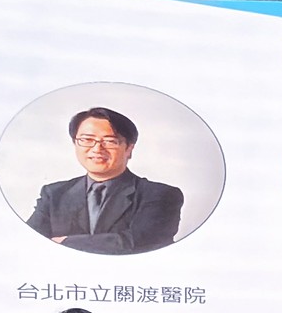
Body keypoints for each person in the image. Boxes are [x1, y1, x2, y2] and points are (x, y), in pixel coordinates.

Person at [25, 107, 185, 254]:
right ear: (75, 144)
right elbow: (29, 240)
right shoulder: (54, 194)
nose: (97, 149)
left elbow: (140, 242)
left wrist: (65, 242)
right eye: (87, 139)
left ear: (129, 149)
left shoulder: (160, 194)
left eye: (109, 141)